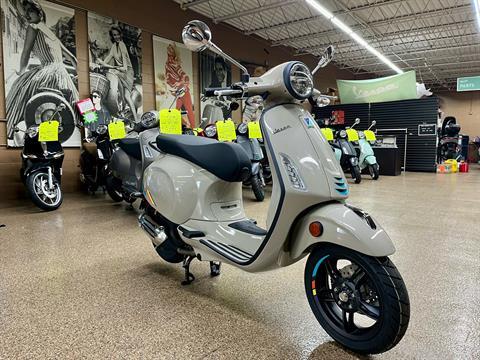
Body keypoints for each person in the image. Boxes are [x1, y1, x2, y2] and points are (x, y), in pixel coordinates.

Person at [6, 0, 78, 145]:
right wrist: (21, 71)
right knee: (49, 108)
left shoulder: (41, 28)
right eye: (25, 11)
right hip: (55, 73)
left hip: (56, 72)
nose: (26, 14)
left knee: (48, 107)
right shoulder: (35, 28)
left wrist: (78, 74)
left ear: (39, 12)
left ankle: (45, 141)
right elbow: (25, 53)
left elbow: (69, 55)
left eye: (29, 11)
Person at [97, 25, 139, 123]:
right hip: (120, 71)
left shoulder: (122, 45)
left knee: (127, 96)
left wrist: (113, 68)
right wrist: (99, 63)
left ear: (121, 35)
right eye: (114, 35)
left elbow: (124, 67)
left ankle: (136, 119)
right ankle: (122, 110)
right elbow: (107, 59)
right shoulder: (114, 46)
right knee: (120, 92)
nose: (116, 37)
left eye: (117, 34)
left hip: (127, 72)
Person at [165, 43, 195, 128]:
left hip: (183, 91)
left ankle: (193, 128)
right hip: (177, 92)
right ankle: (184, 125)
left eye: (171, 51)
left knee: (188, 110)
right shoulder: (167, 64)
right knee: (175, 111)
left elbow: (185, 76)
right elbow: (167, 77)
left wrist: (181, 83)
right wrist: (171, 86)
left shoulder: (175, 64)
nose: (169, 52)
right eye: (168, 51)